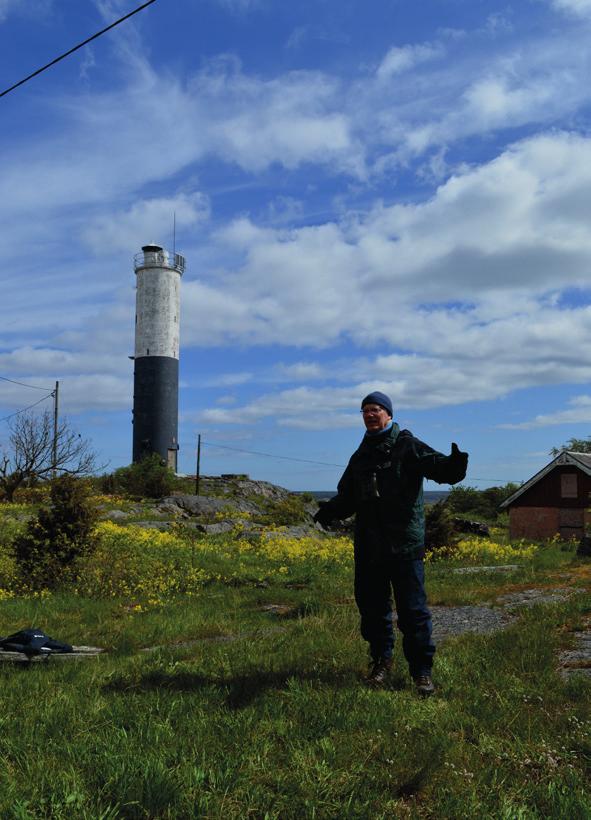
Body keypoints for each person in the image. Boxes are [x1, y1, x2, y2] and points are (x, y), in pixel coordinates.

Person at [314, 391, 468, 696]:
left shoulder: (407, 445)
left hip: (404, 546)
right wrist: (329, 511)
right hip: (370, 546)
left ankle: (421, 672)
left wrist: (455, 464)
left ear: (388, 414)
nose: (370, 415)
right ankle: (381, 661)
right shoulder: (360, 456)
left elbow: (438, 468)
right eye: (365, 411)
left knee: (413, 612)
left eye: (375, 410)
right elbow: (349, 497)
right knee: (373, 610)